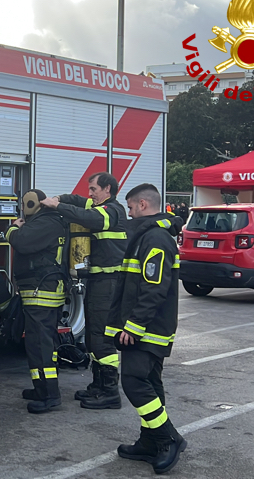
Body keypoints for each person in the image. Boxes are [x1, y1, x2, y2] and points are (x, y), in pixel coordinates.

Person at [109, 183, 186, 474]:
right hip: (149, 326)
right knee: (150, 383)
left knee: (134, 382)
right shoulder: (150, 235)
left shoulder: (155, 238)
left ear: (142, 204)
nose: (129, 213)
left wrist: (134, 326)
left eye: (130, 207)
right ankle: (150, 441)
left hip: (147, 328)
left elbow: (153, 288)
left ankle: (167, 439)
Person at [41, 172, 127, 409]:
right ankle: (98, 385)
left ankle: (110, 392)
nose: (90, 194)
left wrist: (58, 206)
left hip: (110, 282)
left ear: (107, 189)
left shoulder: (112, 211)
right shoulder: (97, 205)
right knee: (92, 337)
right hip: (98, 281)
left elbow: (87, 216)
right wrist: (59, 198)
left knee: (102, 338)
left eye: (94, 189)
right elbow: (78, 201)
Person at [7, 189, 68, 414]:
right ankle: (41, 388)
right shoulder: (48, 222)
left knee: (40, 346)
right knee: (41, 344)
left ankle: (49, 395)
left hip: (42, 293)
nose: (24, 208)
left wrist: (13, 228)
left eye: (25, 204)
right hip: (42, 291)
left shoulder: (45, 223)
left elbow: (21, 242)